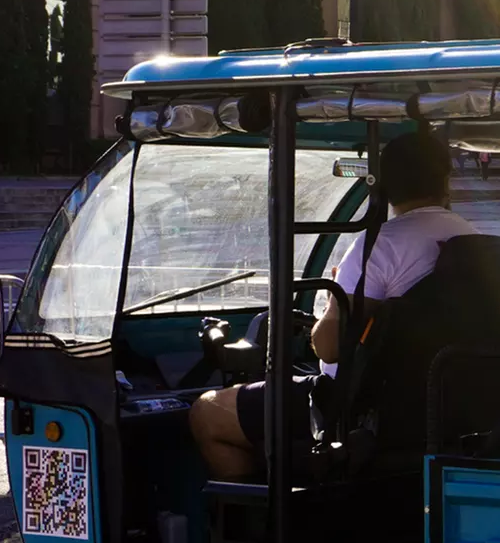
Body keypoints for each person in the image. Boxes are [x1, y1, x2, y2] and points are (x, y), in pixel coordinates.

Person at [189, 131, 476, 481]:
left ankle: (265, 529)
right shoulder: (473, 241)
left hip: (354, 407)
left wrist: (329, 304)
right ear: (445, 181)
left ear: (383, 186)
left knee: (207, 412)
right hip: (442, 404)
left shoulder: (381, 246)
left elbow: (328, 346)